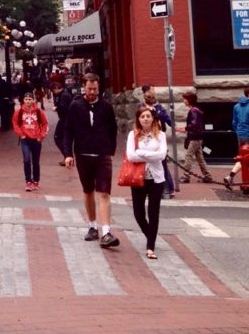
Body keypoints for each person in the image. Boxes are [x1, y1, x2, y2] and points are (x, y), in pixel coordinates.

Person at [62, 72, 120, 248]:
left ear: (98, 87)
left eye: (95, 89)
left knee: (104, 192)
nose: (92, 92)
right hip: (83, 154)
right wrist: (68, 154)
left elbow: (113, 129)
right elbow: (68, 130)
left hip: (102, 155)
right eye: (89, 89)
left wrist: (110, 150)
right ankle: (92, 225)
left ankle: (106, 232)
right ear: (84, 88)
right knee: (88, 191)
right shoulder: (75, 106)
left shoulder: (106, 107)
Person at [126, 104, 168, 260]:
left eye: (148, 116)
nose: (145, 119)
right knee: (138, 212)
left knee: (153, 212)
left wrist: (141, 153)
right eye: (142, 116)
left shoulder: (161, 135)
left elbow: (162, 155)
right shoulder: (133, 135)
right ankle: (151, 235)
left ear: (152, 118)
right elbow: (131, 156)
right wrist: (151, 154)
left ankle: (150, 246)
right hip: (138, 178)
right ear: (138, 119)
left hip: (156, 179)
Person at [223, 87, 249, 189]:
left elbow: (234, 122)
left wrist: (239, 133)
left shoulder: (236, 106)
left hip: (241, 136)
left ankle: (230, 176)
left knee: (243, 158)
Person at [141, 86, 175, 197]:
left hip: (152, 137)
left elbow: (167, 120)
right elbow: (169, 120)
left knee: (157, 163)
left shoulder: (150, 108)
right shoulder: (154, 108)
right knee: (160, 164)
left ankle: (165, 188)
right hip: (152, 137)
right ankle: (166, 189)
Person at [12, 92, 49, 191]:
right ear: (23, 100)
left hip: (36, 139)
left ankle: (36, 181)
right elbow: (15, 124)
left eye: (30, 99)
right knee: (27, 160)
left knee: (36, 161)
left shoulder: (38, 111)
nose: (28, 101)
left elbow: (45, 124)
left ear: (33, 100)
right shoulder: (19, 112)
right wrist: (21, 134)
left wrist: (41, 136)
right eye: (26, 99)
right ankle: (28, 181)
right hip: (25, 140)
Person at [178, 90, 213, 183]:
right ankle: (207, 176)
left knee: (188, 156)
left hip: (194, 137)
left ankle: (186, 176)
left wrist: (185, 128)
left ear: (189, 100)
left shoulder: (193, 111)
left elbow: (194, 124)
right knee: (200, 158)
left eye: (185, 99)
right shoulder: (197, 110)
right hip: (198, 137)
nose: (184, 101)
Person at [51, 79, 73, 166]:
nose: (54, 92)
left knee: (58, 138)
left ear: (56, 88)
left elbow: (63, 108)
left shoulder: (63, 96)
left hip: (65, 120)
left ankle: (67, 156)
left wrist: (56, 108)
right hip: (66, 119)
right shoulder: (64, 94)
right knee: (64, 138)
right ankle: (67, 156)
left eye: (53, 90)